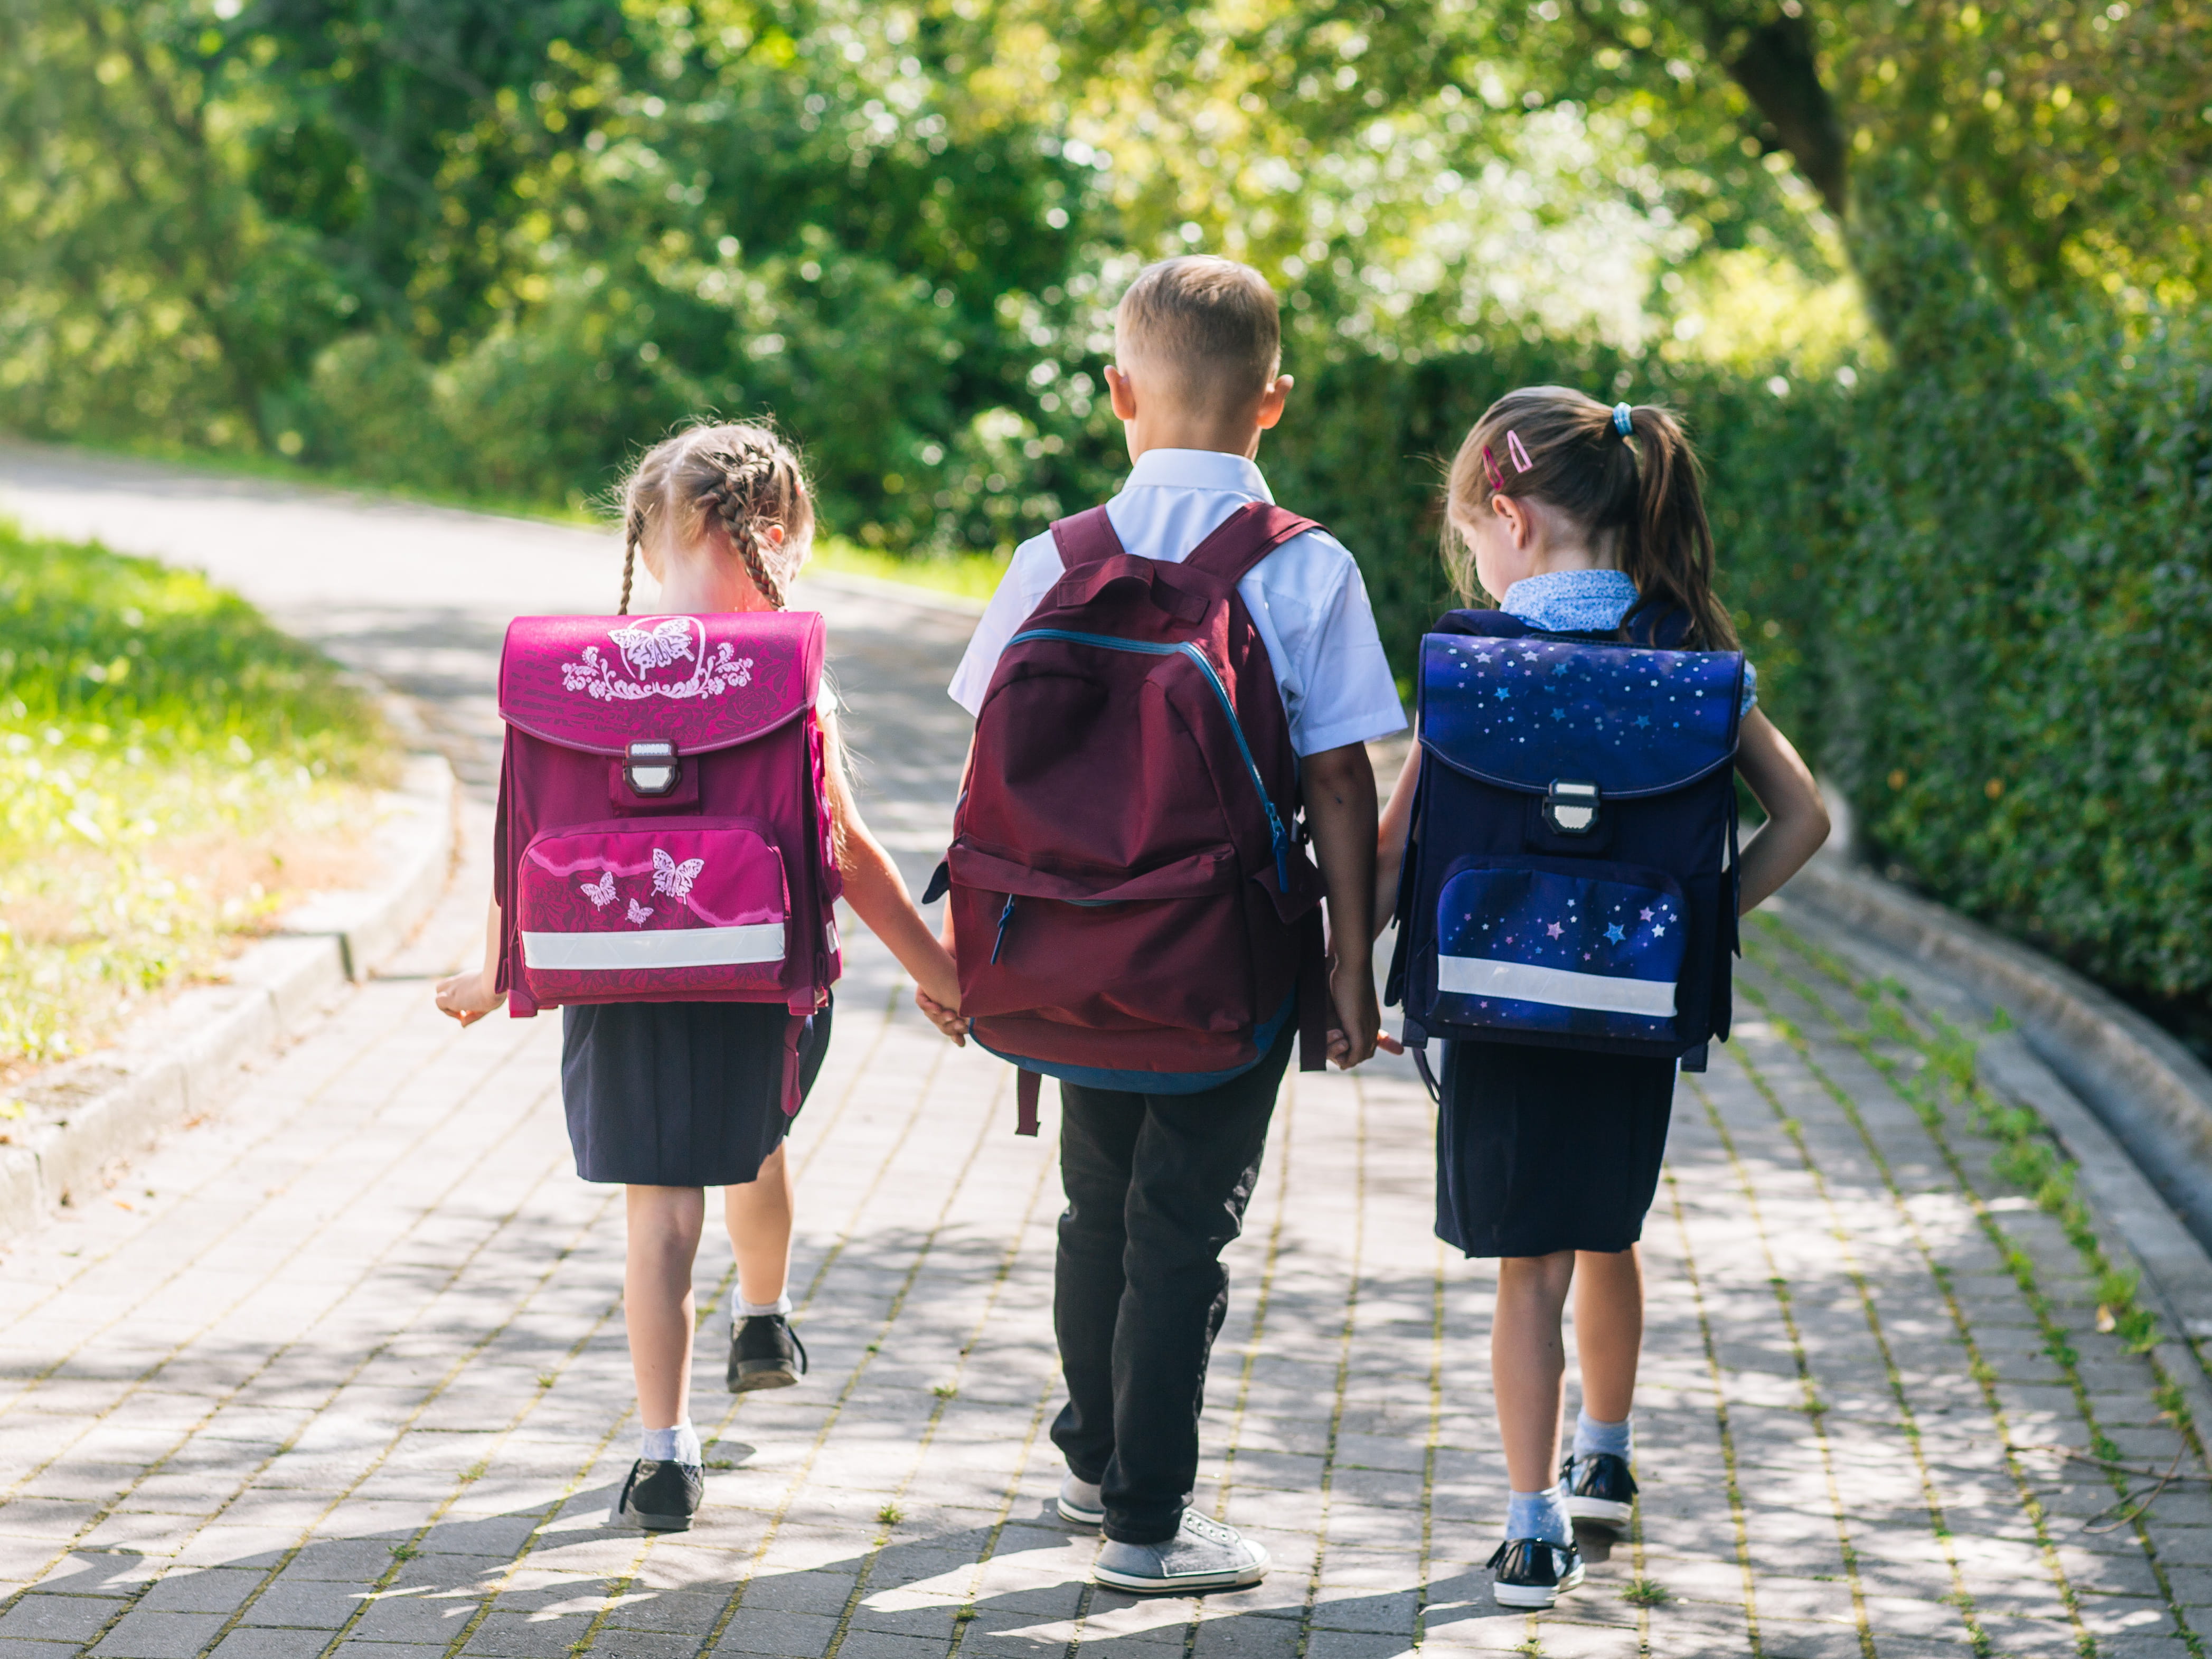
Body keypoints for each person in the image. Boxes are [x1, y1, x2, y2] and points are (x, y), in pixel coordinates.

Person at [922, 256, 1406, 1594]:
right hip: (1223, 963)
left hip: (1063, 948)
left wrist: (972, 947)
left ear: (1118, 394)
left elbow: (988, 759)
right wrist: (1348, 969)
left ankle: (1090, 1458)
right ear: (1275, 403)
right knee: (1181, 1227)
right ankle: (1147, 1521)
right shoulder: (1302, 567)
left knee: (1096, 1205)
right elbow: (1341, 782)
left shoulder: (1053, 556)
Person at [434, 422, 963, 1533]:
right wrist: (943, 972)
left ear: (645, 529)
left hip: (619, 976)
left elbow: (526, 822)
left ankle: (663, 1445)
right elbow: (848, 849)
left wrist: (495, 966)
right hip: (757, 981)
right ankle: (764, 1312)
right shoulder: (772, 671)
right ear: (774, 535)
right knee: (752, 1148)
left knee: (657, 1219)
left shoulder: (579, 675)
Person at [1373, 387, 1830, 1608]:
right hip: (1635, 1005)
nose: (1470, 550)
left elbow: (1388, 858)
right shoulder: (1690, 667)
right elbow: (1806, 817)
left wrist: (1329, 984)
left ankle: (1531, 1530)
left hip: (1491, 1004)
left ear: (1509, 516)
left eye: (1469, 526)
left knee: (1525, 1265)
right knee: (1607, 1227)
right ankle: (1607, 1459)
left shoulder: (1474, 672)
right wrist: (1698, 932)